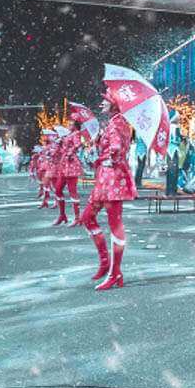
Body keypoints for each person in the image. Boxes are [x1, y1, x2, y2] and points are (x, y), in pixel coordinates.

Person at [79, 91, 138, 291]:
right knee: (87, 217)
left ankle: (115, 272)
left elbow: (117, 147)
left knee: (115, 224)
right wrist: (98, 141)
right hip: (104, 179)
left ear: (114, 104)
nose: (102, 102)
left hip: (112, 179)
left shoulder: (118, 123)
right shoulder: (113, 122)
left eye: (105, 100)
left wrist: (111, 153)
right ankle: (106, 262)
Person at [49, 110, 87, 226]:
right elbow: (63, 148)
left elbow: (78, 144)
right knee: (58, 189)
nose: (68, 125)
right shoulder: (67, 135)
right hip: (64, 164)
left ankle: (77, 218)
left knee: (72, 192)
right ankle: (62, 215)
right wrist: (60, 143)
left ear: (75, 125)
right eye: (68, 123)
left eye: (71, 124)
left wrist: (71, 151)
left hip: (71, 164)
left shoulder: (76, 134)